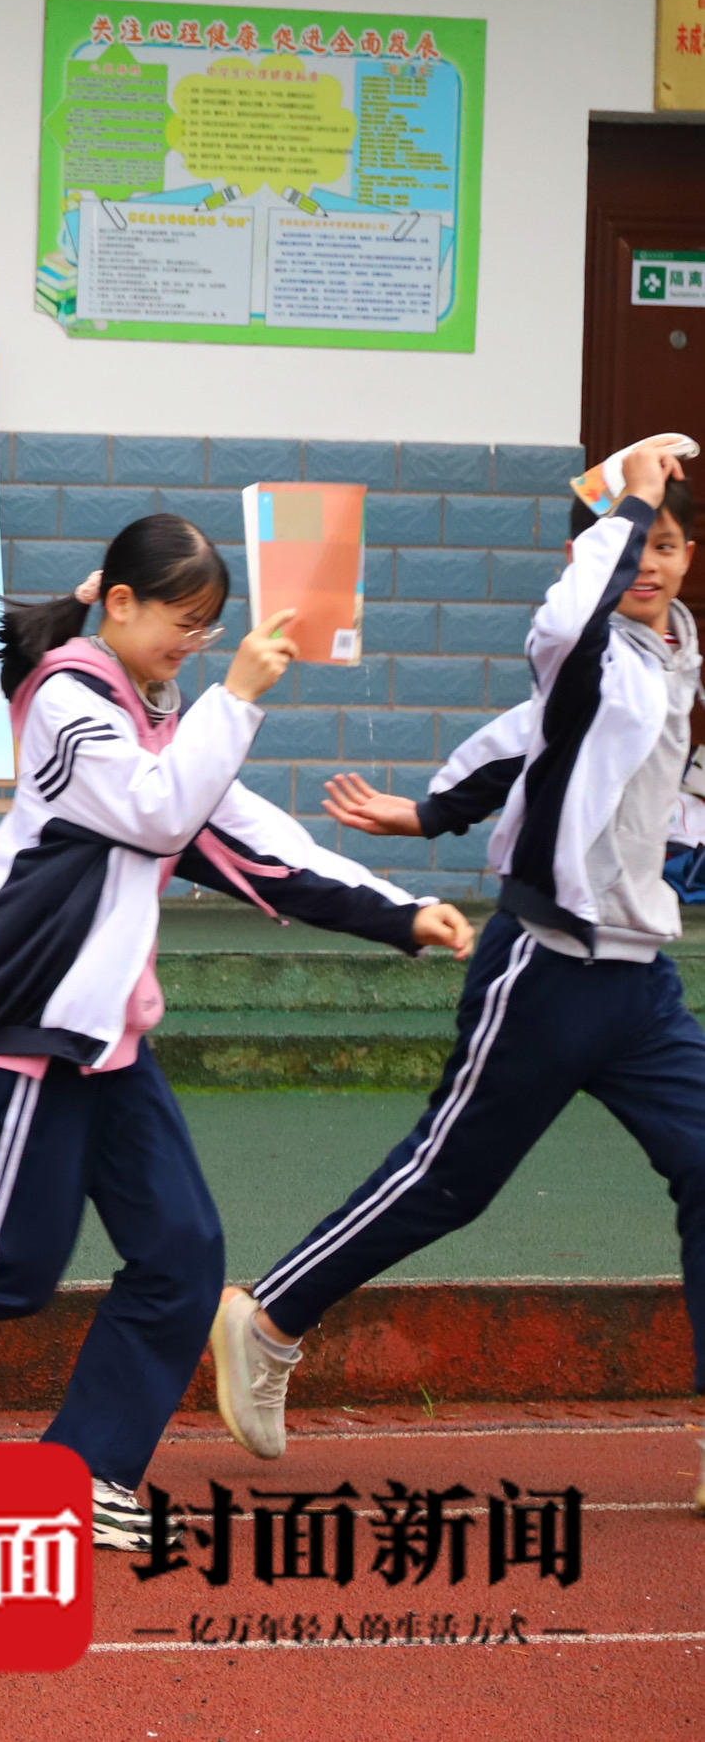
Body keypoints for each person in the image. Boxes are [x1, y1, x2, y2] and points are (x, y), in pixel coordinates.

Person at [0, 513, 471, 1548]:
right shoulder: (67, 698)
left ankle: (88, 1470)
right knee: (1, 1271)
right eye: (179, 622)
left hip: (103, 1025)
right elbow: (156, 812)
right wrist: (236, 694)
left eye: (206, 629)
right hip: (32, 1011)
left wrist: (395, 910)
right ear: (119, 604)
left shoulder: (157, 707)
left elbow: (243, 835)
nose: (191, 643)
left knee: (182, 1252)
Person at [210, 443, 705, 1513]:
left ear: (688, 555)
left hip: (637, 984)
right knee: (447, 1179)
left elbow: (533, 750)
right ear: (597, 554)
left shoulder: (673, 653)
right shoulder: (584, 647)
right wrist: (626, 501)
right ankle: (265, 1317)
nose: (647, 566)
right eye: (630, 548)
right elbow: (548, 675)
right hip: (542, 969)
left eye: (665, 545)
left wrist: (433, 808)